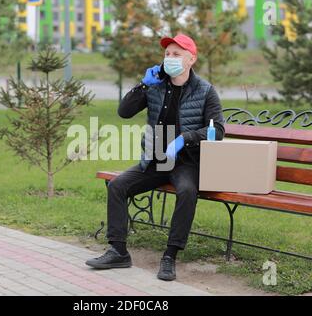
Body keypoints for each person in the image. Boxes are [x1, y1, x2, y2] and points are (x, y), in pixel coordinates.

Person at [86, 34, 225, 281]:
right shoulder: (156, 85)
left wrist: (185, 139)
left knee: (187, 191)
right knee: (117, 186)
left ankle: (170, 256)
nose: (169, 58)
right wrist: (142, 84)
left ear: (191, 59)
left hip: (187, 162)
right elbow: (124, 112)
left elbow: (219, 131)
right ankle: (118, 251)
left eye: (176, 54)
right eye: (167, 54)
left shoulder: (205, 91)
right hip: (156, 159)